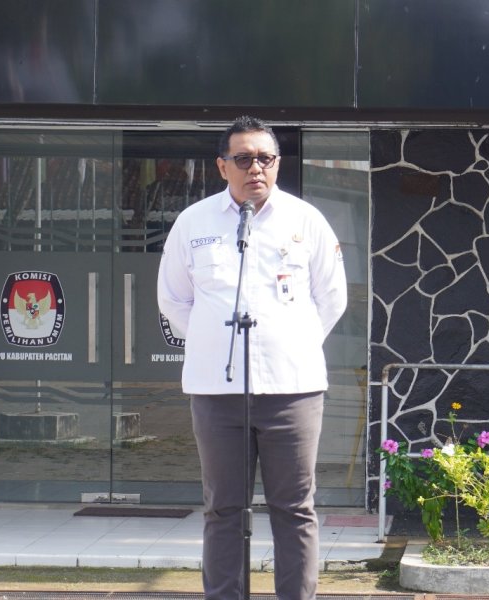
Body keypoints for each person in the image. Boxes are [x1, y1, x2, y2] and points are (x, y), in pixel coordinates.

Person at [157, 116, 348, 600]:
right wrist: (212, 341)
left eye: (265, 158)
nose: (255, 168)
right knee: (223, 509)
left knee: (294, 509)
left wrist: (294, 342)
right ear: (223, 166)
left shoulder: (306, 221)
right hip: (217, 391)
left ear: (278, 164)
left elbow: (332, 298)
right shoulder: (194, 223)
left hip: (293, 390)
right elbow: (174, 300)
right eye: (243, 159)